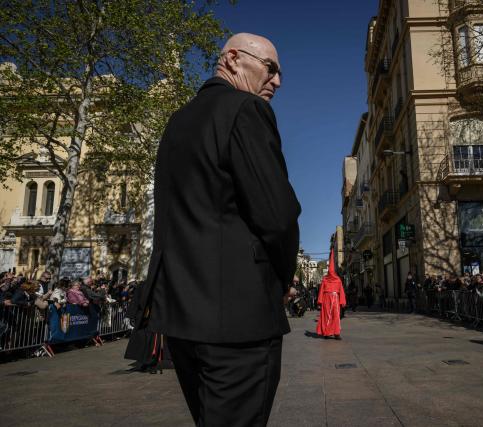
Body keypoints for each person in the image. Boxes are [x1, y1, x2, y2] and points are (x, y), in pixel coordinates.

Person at [135, 33, 300, 427]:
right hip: (238, 320)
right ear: (232, 59)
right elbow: (277, 215)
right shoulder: (245, 110)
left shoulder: (177, 122)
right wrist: (283, 281)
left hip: (181, 317)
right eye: (271, 68)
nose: (277, 82)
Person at [316, 249, 346, 339]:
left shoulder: (337, 280)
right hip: (327, 299)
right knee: (327, 315)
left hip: (334, 299)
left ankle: (336, 332)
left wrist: (342, 301)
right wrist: (320, 301)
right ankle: (327, 332)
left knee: (335, 316)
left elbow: (341, 291)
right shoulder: (325, 280)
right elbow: (321, 291)